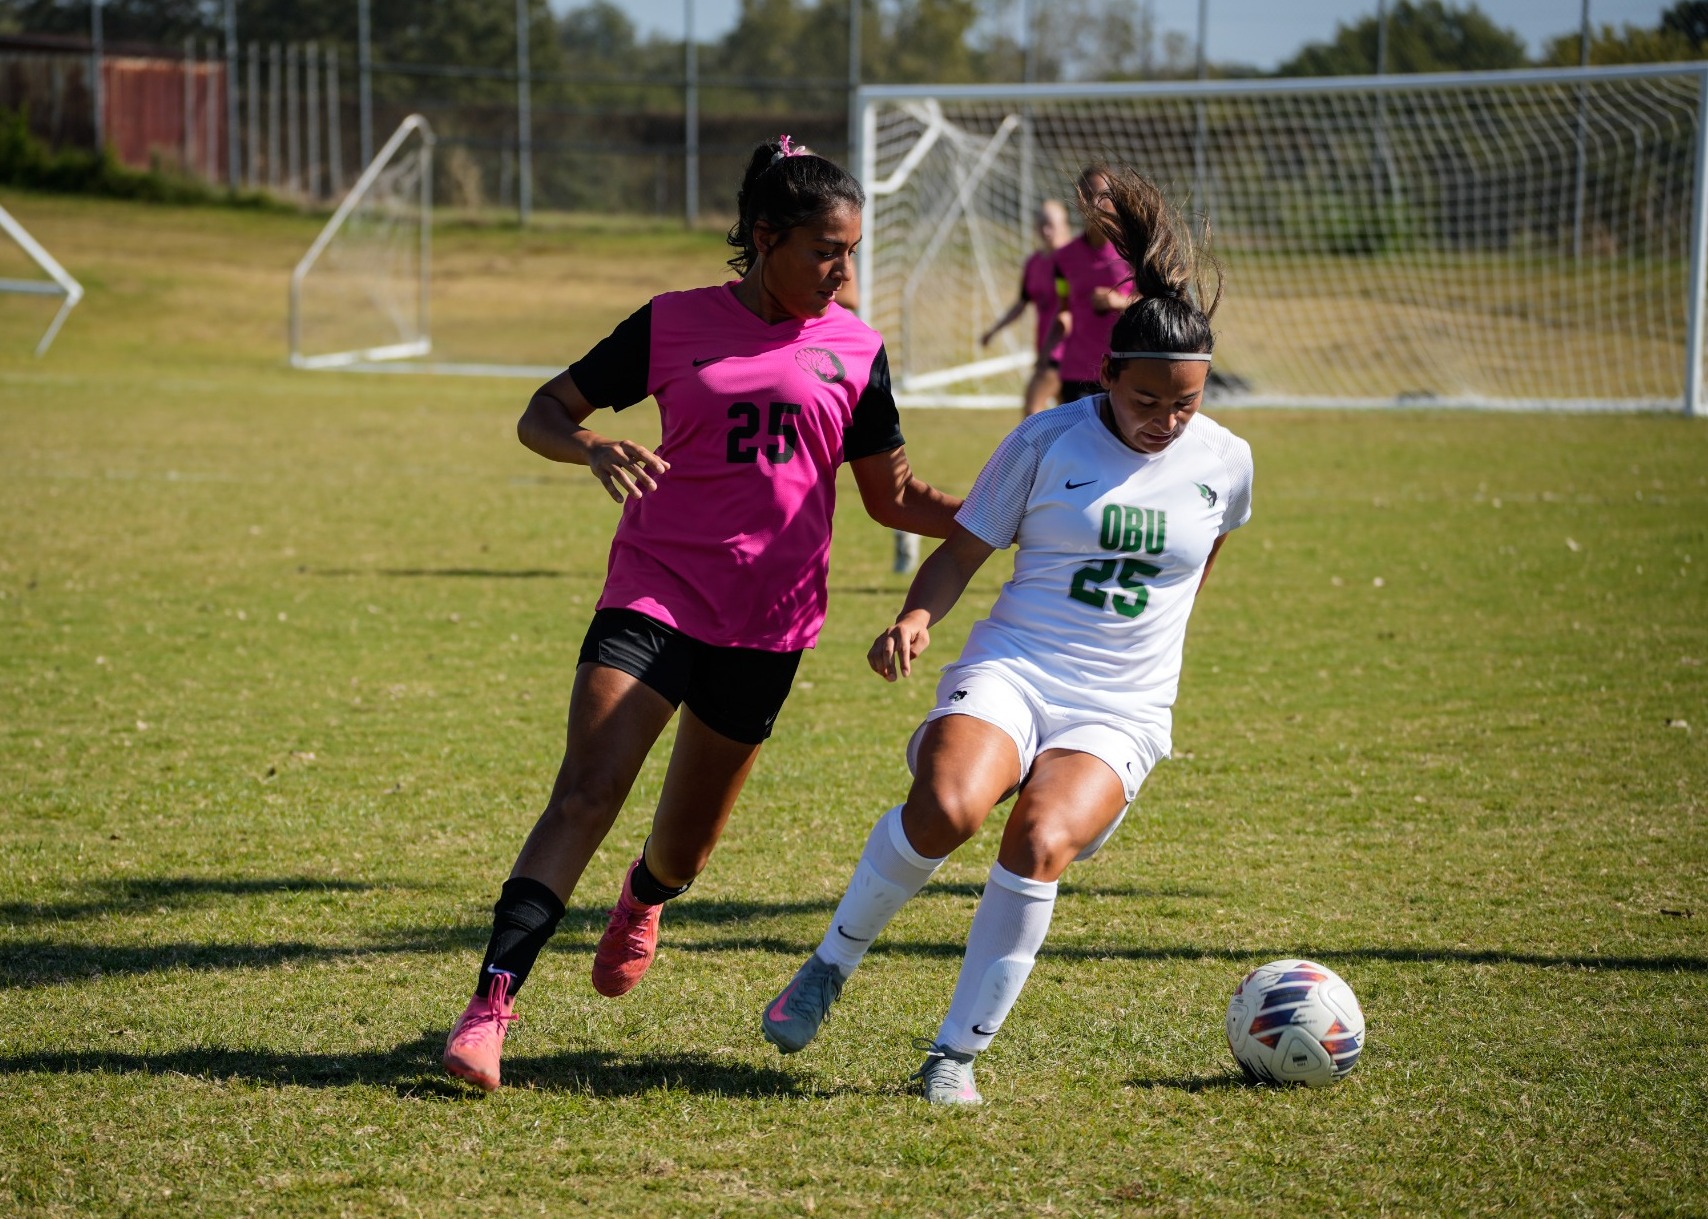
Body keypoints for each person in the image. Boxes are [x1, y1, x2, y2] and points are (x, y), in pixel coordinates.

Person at [442, 135, 963, 1093]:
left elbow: (892, 497)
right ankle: (489, 1009)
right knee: (586, 790)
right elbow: (542, 411)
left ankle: (645, 895)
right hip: (654, 588)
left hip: (770, 622)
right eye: (824, 249)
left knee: (683, 850)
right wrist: (592, 443)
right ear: (765, 238)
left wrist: (992, 515)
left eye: (850, 252)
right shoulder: (673, 323)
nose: (841, 271)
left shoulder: (856, 349)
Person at [758, 163, 1252, 1105]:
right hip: (1017, 666)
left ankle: (953, 1056)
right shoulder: (1044, 441)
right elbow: (959, 553)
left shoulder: (1226, 462)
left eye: (1185, 403)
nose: (1166, 421)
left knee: (1037, 841)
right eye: (1147, 401)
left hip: (1122, 705)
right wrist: (913, 614)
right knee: (947, 809)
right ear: (1105, 374)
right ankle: (828, 963)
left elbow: (1195, 572)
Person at [1048, 167, 1135, 404]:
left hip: (1123, 370)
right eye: (1087, 194)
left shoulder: (1134, 253)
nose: (1094, 203)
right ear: (1078, 200)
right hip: (1076, 372)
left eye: (1102, 195)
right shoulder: (1063, 258)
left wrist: (1119, 301)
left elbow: (1155, 303)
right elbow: (1063, 300)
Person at [979, 199, 1073, 418]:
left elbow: (1072, 308)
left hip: (1065, 351)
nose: (1046, 231)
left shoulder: (1072, 262)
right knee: (1068, 417)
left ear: (1064, 225)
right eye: (1041, 224)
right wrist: (994, 330)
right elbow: (1022, 303)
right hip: (1045, 349)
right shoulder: (1034, 263)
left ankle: (1035, 453)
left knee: (1032, 411)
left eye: (1051, 224)